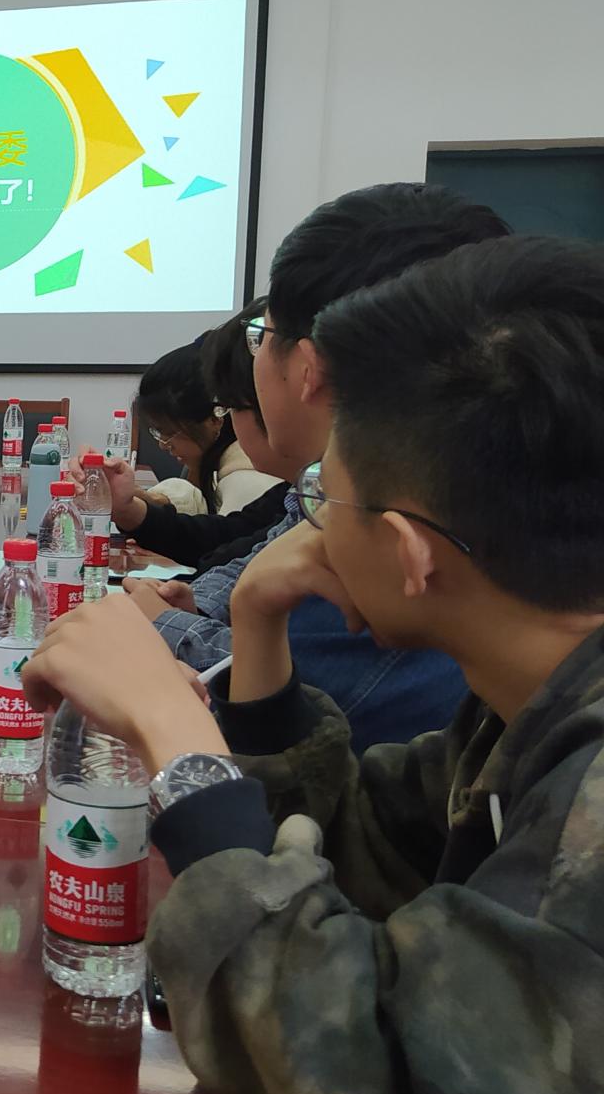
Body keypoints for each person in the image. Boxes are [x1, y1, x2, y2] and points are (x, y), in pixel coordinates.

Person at [22, 236, 604, 1094]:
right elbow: (359, 844)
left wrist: (176, 738)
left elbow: (372, 1063)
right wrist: (256, 628)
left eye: (322, 503)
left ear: (408, 553)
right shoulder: (529, 703)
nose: (309, 530)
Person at [120, 184, 505, 752]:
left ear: (310, 369)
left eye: (259, 337)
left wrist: (149, 672)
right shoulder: (394, 484)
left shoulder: (383, 522)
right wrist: (228, 605)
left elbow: (297, 742)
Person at [105, 303, 302, 575]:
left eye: (234, 405)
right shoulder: (298, 494)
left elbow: (232, 566)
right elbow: (229, 539)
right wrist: (128, 511)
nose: (163, 444)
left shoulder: (250, 481)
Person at [130, 338, 273, 517]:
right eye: (158, 433)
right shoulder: (212, 460)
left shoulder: (245, 481)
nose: (163, 445)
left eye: (169, 432)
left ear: (214, 418)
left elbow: (220, 532)